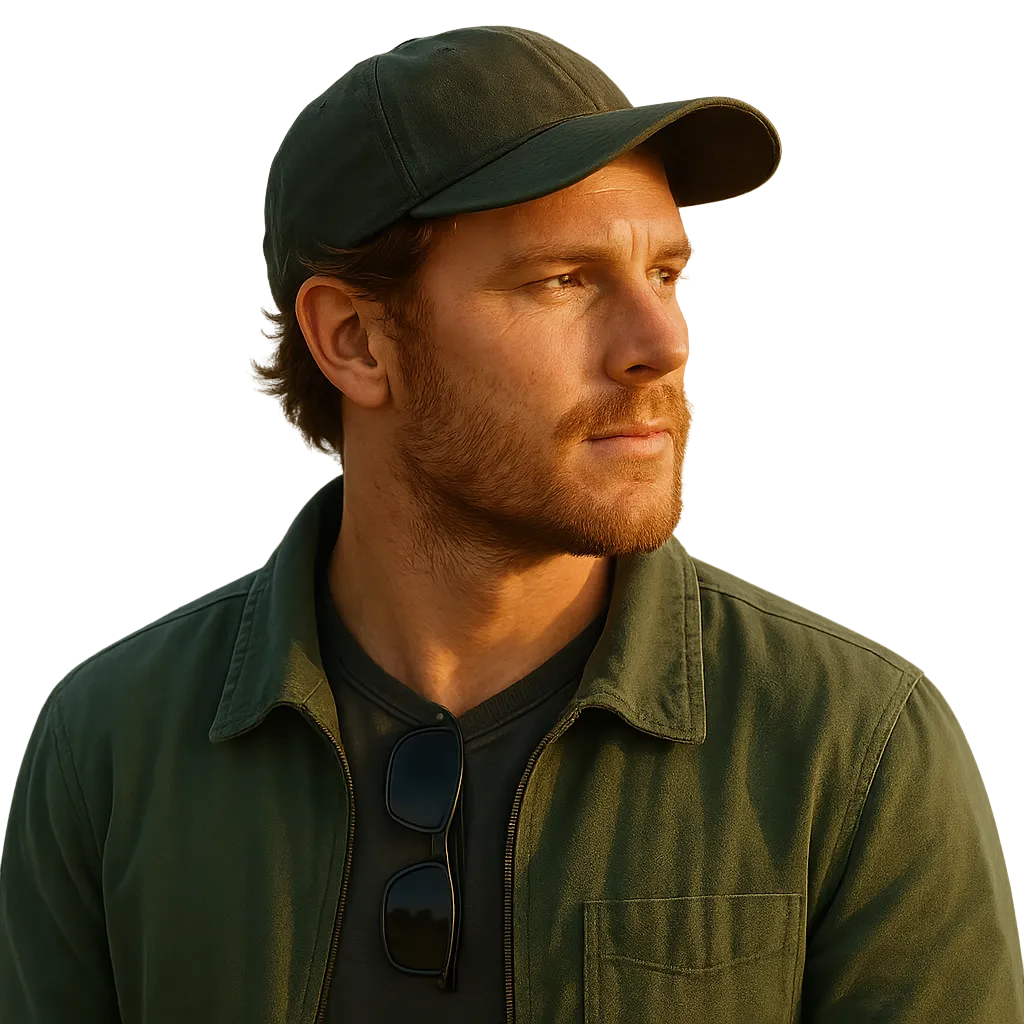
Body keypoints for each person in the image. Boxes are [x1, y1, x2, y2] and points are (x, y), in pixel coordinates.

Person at [1, 24, 1021, 1024]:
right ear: (355, 340)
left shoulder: (848, 745)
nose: (660, 342)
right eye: (563, 281)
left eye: (666, 272)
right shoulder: (114, 745)